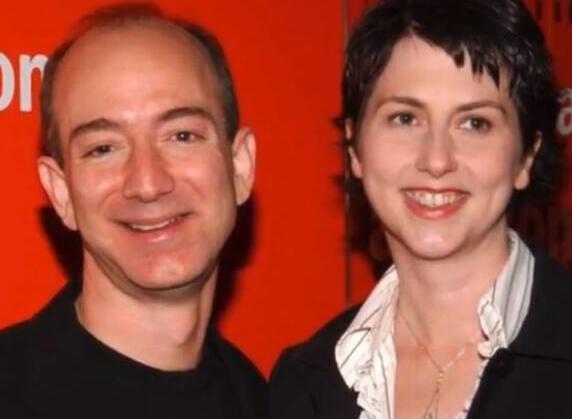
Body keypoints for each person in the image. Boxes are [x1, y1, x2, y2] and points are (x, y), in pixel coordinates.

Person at [270, 0, 572, 418]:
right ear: (355, 148)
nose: (436, 159)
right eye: (405, 118)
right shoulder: (302, 383)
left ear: (526, 157)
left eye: (475, 123)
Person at [0, 5, 267, 418]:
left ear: (240, 167)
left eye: (181, 136)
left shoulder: (264, 399)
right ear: (61, 192)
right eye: (103, 149)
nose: (147, 182)